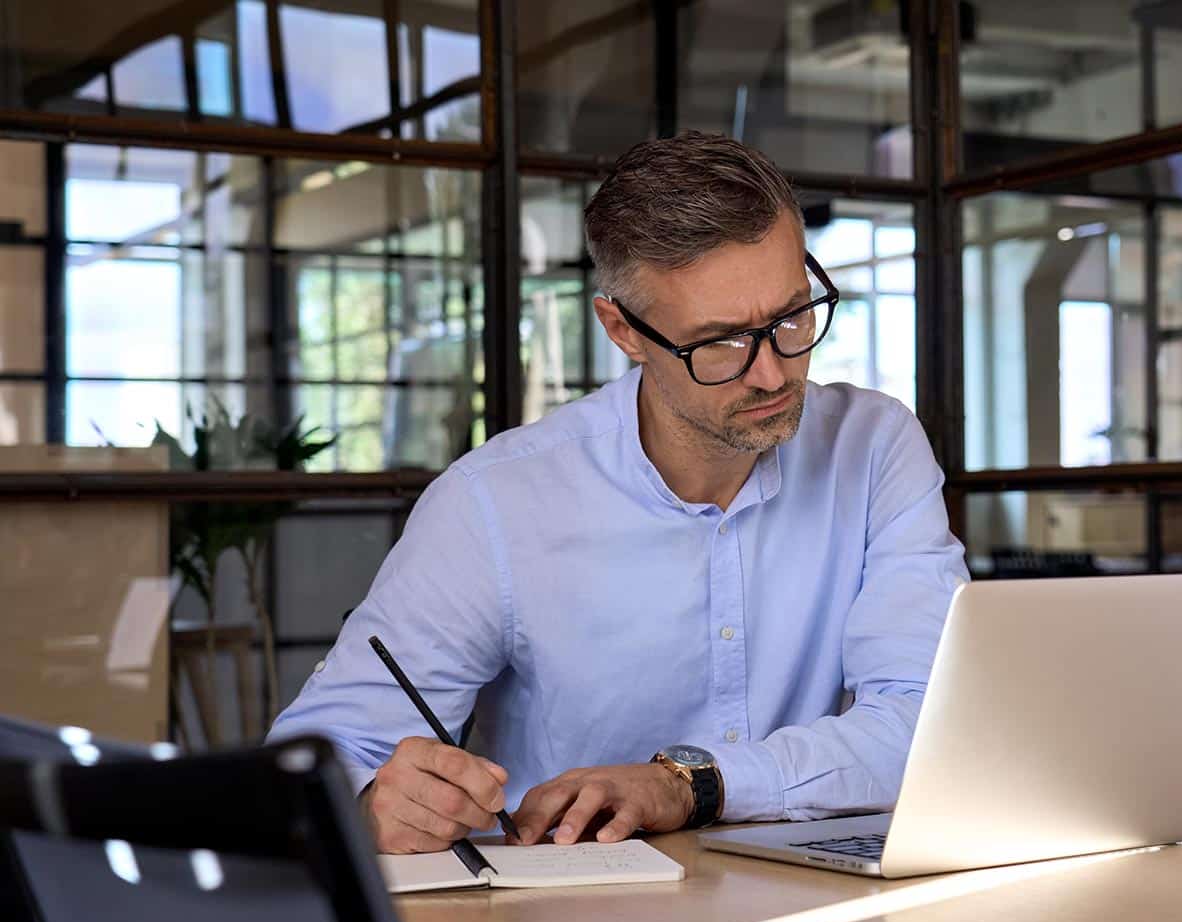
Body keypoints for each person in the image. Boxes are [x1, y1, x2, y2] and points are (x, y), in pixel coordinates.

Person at [267, 131, 968, 853]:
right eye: (721, 342)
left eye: (791, 317)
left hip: (819, 912)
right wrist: (368, 800)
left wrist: (690, 784)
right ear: (623, 331)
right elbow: (313, 758)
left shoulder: (874, 445)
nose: (772, 374)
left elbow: (930, 723)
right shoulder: (496, 503)